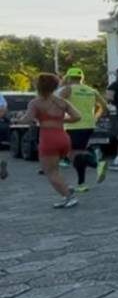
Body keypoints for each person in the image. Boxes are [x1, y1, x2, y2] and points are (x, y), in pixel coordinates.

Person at [20, 73, 81, 207]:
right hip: (63, 137)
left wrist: (16, 119)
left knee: (50, 172)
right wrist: (60, 120)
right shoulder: (62, 102)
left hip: (48, 139)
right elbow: (77, 116)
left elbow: (27, 119)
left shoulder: (35, 103)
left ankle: (69, 196)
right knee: (55, 169)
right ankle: (65, 188)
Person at [59, 67, 109, 192]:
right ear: (82, 78)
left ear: (69, 77)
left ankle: (97, 164)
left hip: (73, 125)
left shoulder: (68, 89)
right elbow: (104, 106)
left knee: (71, 154)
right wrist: (95, 117)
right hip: (89, 125)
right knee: (79, 154)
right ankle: (81, 184)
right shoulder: (91, 90)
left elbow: (57, 103)